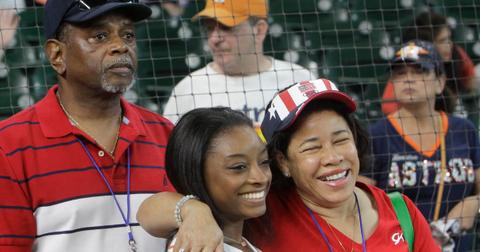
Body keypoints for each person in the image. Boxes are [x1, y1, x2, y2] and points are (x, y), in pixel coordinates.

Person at [138, 78, 439, 251]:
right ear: (282, 161)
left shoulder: (401, 212)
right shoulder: (263, 208)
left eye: (340, 139)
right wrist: (194, 212)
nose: (332, 157)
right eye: (312, 147)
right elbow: (150, 212)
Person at [0, 1, 176, 251]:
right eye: (100, 36)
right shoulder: (8, 147)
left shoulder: (166, 135)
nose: (120, 46)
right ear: (57, 55)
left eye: (128, 35)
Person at [368, 40, 480, 251]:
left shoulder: (464, 130)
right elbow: (360, 205)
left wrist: (474, 204)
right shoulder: (376, 135)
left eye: (420, 71)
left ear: (440, 82)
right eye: (400, 73)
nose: (408, 79)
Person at [162, 0, 316, 126]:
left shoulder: (299, 80)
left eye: (227, 27)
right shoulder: (188, 89)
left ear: (259, 30)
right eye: (209, 28)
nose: (215, 39)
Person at [141, 107, 270, 252]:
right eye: (238, 167)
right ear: (196, 173)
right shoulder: (196, 247)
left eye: (264, 162)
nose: (261, 178)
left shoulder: (240, 243)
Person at [382, 11, 479, 127]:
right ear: (427, 44)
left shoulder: (457, 54)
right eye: (443, 41)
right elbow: (388, 107)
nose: (450, 45)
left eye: (449, 38)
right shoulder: (407, 67)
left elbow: (471, 84)